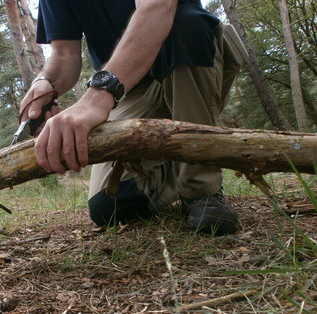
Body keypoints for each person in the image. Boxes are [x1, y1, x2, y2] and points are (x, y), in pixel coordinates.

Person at [19, 0, 248, 235]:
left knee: (186, 23)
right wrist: (46, 81)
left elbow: (158, 7)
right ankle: (190, 161)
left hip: (189, 61)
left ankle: (202, 191)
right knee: (111, 204)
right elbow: (65, 54)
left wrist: (99, 95)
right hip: (128, 91)